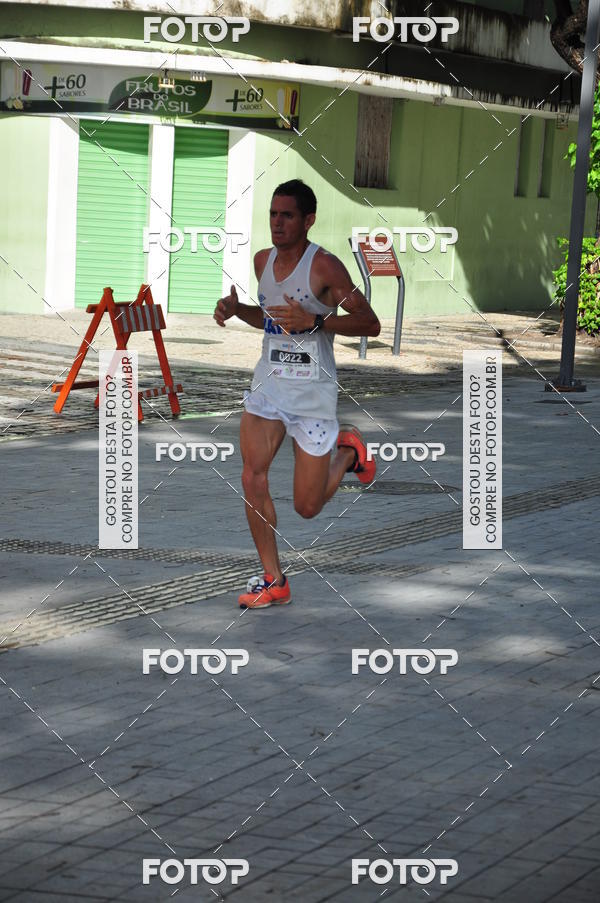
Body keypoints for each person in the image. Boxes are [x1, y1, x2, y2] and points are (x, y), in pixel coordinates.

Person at [214, 179, 380, 609]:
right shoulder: (262, 261)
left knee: (308, 507)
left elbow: (370, 322)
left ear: (308, 220)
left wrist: (317, 322)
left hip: (312, 397)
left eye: (287, 215)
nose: (277, 223)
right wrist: (236, 310)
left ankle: (348, 453)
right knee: (252, 476)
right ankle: (273, 580)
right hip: (269, 388)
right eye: (273, 214)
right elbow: (271, 318)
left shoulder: (325, 268)